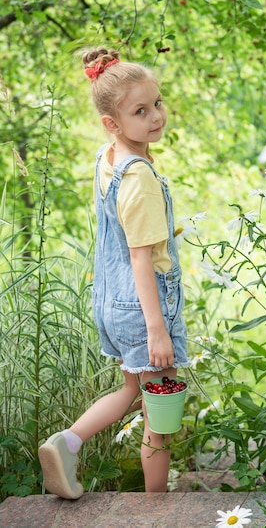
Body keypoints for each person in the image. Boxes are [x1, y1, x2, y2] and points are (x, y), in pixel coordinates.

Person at [38, 46, 190, 498]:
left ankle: (66, 442)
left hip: (111, 302)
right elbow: (142, 258)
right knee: (159, 416)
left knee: (131, 390)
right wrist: (157, 330)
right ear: (113, 123)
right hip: (142, 311)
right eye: (140, 111)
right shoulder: (139, 176)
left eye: (157, 103)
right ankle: (156, 510)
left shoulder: (109, 159)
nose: (156, 116)